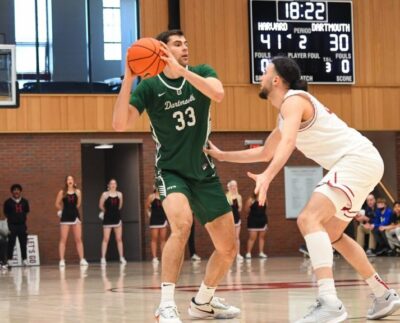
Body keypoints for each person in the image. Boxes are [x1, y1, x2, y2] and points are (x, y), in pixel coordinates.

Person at [204, 56, 400, 322]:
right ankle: (382, 294)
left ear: (276, 80)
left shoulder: (293, 100)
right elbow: (265, 151)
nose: (260, 78)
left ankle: (329, 301)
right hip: (362, 161)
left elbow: (288, 144)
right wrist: (223, 156)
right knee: (332, 234)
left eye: (265, 73)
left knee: (309, 218)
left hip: (356, 159)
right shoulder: (285, 115)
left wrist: (268, 176)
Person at [113, 29, 240, 322]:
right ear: (161, 50)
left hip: (203, 171)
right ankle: (166, 304)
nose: (185, 48)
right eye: (177, 44)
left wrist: (181, 70)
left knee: (228, 247)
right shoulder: (149, 87)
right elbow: (120, 124)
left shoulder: (201, 72)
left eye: (186, 44)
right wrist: (129, 79)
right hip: (170, 170)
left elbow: (218, 93)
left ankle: (203, 301)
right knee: (181, 225)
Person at [55, 175, 88, 267]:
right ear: (66, 182)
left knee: (78, 239)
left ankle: (82, 259)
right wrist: (62, 210)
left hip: (75, 216)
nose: (70, 180)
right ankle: (61, 260)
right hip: (65, 217)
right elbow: (57, 203)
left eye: (71, 179)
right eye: (68, 179)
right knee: (63, 239)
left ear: (74, 181)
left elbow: (78, 204)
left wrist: (72, 210)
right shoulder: (62, 192)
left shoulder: (78, 192)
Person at [99, 178, 126, 265]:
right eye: (111, 183)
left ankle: (121, 257)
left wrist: (114, 212)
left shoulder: (120, 194)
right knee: (106, 238)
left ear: (116, 185)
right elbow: (100, 205)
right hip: (107, 218)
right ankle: (103, 258)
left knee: (119, 239)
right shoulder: (105, 194)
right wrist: (106, 211)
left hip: (117, 218)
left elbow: (120, 206)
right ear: (109, 185)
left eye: (115, 183)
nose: (113, 185)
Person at [3, 184, 30, 267]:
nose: (16, 191)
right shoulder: (8, 202)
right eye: (14, 190)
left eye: (18, 190)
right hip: (12, 225)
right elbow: (6, 213)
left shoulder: (25, 201)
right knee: (11, 243)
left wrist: (21, 218)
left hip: (22, 225)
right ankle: (9, 260)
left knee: (23, 243)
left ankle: (24, 259)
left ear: (20, 191)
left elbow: (27, 211)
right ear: (12, 192)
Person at [146, 188, 168, 264]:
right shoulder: (151, 196)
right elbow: (147, 207)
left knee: (163, 239)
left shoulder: (164, 196)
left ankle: (164, 257)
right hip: (154, 220)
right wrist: (149, 215)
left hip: (163, 219)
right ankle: (154, 257)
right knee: (154, 239)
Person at [244, 193, 268, 259]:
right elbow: (246, 209)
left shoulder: (265, 199)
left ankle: (261, 252)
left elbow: (266, 207)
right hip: (253, 220)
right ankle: (248, 253)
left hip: (262, 220)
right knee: (252, 237)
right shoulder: (251, 200)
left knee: (262, 237)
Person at [226, 180, 243, 261]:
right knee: (229, 238)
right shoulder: (226, 196)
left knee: (236, 237)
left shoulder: (239, 196)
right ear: (229, 187)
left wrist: (236, 197)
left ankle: (238, 254)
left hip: (237, 219)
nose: (235, 187)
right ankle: (229, 255)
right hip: (229, 220)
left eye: (236, 185)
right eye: (233, 185)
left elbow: (240, 208)